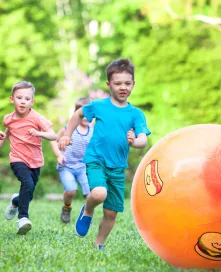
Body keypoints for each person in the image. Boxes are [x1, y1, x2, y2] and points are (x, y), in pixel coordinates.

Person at [58, 58, 151, 250]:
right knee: (99, 193)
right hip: (96, 160)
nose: (123, 87)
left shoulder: (136, 113)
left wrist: (135, 142)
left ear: (133, 84)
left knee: (111, 214)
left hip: (117, 167)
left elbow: (143, 139)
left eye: (127, 83)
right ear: (109, 84)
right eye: (117, 83)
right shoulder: (99, 105)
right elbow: (78, 115)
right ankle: (88, 209)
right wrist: (67, 135)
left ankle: (99, 244)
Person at [0, 81, 56, 235]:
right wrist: (3, 137)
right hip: (17, 158)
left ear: (32, 101)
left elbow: (53, 135)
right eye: (19, 98)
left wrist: (39, 134)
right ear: (12, 99)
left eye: (26, 98)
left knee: (28, 193)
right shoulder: (8, 118)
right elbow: (9, 129)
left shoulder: (37, 118)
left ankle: (15, 201)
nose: (23, 101)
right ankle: (23, 218)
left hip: (35, 160)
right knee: (27, 183)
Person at [50, 98, 93, 223]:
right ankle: (67, 207)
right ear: (76, 114)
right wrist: (59, 154)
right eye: (83, 114)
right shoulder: (68, 129)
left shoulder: (93, 131)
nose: (86, 117)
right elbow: (54, 140)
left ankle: (86, 214)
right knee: (71, 190)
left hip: (83, 166)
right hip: (66, 166)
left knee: (89, 192)